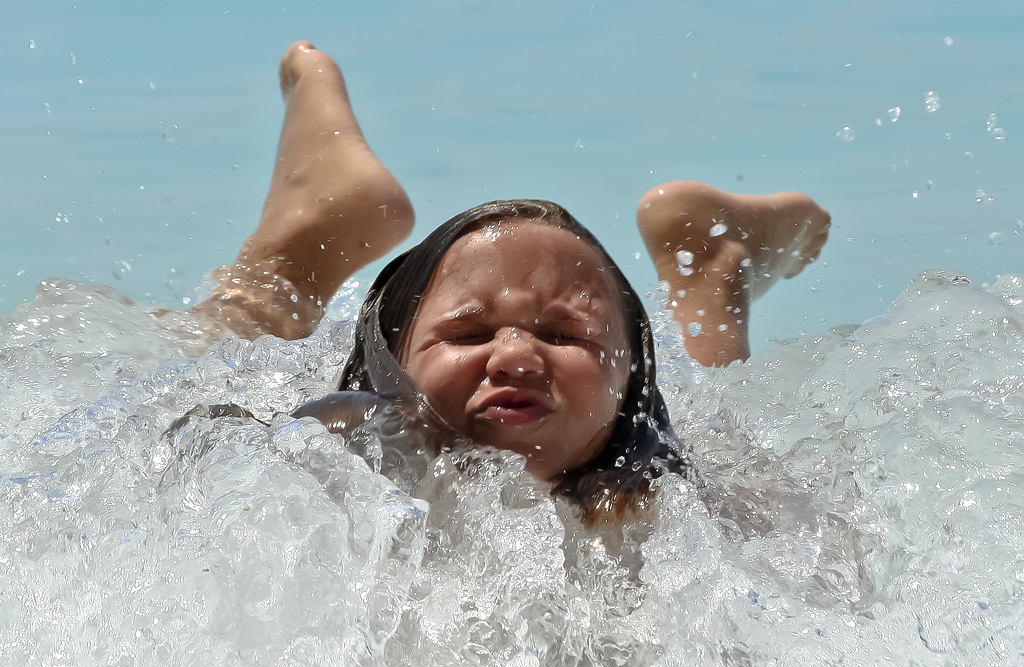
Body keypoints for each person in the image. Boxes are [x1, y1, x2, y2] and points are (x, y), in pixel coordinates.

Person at [191, 41, 831, 524]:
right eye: (468, 333)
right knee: (204, 347)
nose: (518, 356)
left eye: (563, 334)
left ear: (627, 375)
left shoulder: (668, 494)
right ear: (395, 362)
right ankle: (291, 258)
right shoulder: (361, 443)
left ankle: (714, 271)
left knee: (718, 433)